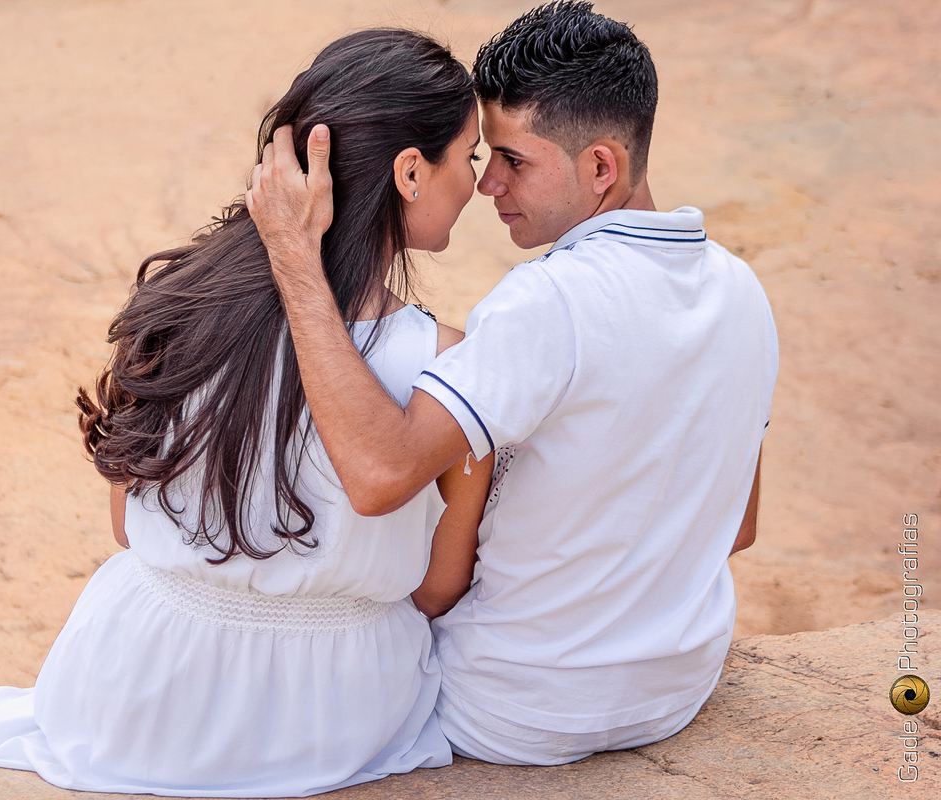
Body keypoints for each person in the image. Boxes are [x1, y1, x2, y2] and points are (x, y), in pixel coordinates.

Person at [0, 29, 494, 796]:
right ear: (411, 172)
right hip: (329, 716)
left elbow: (127, 526)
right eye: (470, 156)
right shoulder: (445, 365)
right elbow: (438, 589)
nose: (477, 181)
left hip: (127, 694)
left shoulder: (182, 303)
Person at [245, 1, 779, 767]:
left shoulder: (547, 301)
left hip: (510, 709)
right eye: (485, 155)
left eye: (513, 160)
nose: (488, 183)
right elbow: (739, 527)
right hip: (676, 689)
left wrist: (295, 259)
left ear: (601, 168)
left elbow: (379, 473)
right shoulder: (743, 290)